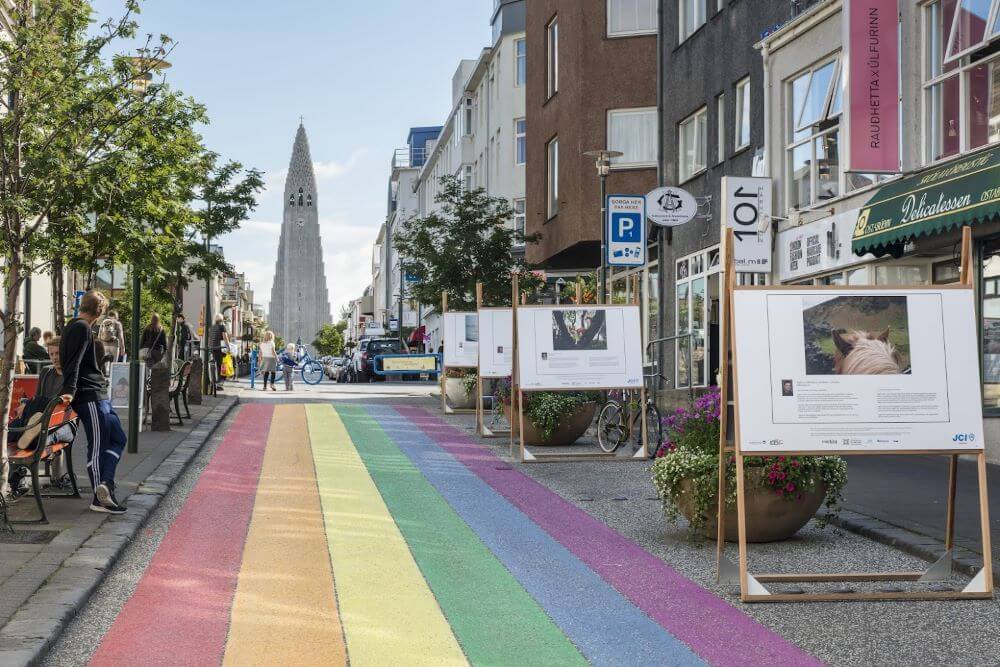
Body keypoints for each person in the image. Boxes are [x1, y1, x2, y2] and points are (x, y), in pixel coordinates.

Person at [60, 289, 128, 515]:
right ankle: (100, 500)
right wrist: (69, 391)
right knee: (98, 445)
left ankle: (105, 484)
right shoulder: (81, 328)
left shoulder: (77, 327)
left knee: (118, 437)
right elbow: (74, 362)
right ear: (99, 312)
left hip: (98, 394)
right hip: (89, 395)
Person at [207, 314, 230, 389]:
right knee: (222, 365)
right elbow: (225, 338)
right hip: (219, 348)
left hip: (211, 348)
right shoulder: (222, 327)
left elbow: (210, 338)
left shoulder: (211, 327)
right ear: (222, 320)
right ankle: (219, 383)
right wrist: (228, 347)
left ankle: (212, 382)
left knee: (214, 365)